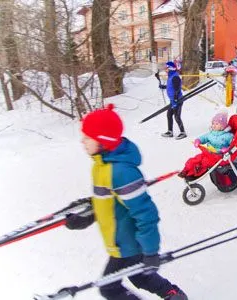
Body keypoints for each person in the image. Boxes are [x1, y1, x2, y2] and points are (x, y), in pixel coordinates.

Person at [65, 104, 188, 300]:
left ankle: (172, 294)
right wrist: (87, 215)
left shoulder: (121, 172)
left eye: (87, 137)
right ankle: (173, 294)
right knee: (141, 277)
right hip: (122, 242)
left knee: (109, 288)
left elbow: (146, 214)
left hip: (128, 245)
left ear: (103, 141)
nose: (82, 141)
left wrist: (150, 251)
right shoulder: (101, 165)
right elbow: (109, 201)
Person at [178, 111, 233, 178]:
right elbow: (204, 137)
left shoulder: (228, 136)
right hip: (207, 152)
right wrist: (198, 140)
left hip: (218, 156)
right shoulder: (211, 133)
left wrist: (227, 149)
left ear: (222, 126)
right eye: (213, 123)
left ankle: (194, 174)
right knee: (195, 159)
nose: (214, 125)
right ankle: (185, 171)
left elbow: (233, 144)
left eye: (216, 124)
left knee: (204, 162)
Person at [160, 61, 187, 140]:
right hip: (173, 100)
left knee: (177, 117)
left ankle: (183, 132)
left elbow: (177, 89)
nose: (165, 69)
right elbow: (170, 86)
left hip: (177, 100)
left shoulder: (175, 77)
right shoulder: (171, 76)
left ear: (170, 68)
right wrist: (163, 86)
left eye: (166, 68)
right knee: (169, 115)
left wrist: (175, 100)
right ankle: (170, 131)